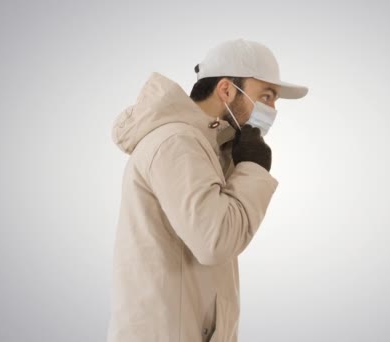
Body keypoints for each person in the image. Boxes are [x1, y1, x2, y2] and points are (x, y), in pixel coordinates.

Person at [107, 38, 308, 342]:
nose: (272, 110)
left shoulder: (207, 145)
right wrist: (252, 170)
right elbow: (215, 241)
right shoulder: (176, 143)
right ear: (226, 89)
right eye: (266, 96)